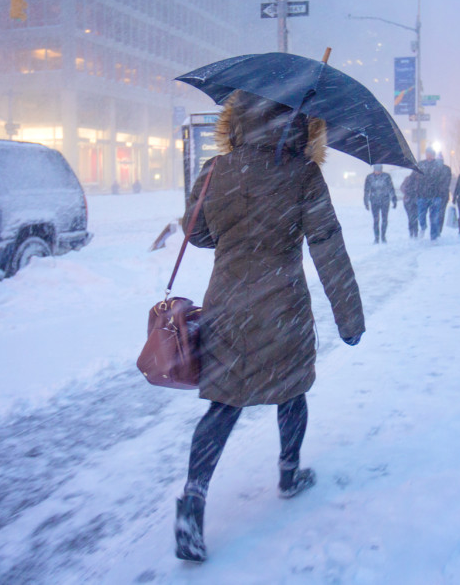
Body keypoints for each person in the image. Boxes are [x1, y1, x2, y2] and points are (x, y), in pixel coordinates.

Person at [175, 90, 365, 562]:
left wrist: (236, 225)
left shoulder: (217, 169)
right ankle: (288, 472)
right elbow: (327, 245)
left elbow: (196, 233)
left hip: (227, 304)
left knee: (222, 404)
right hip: (283, 305)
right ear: (301, 124)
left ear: (238, 119)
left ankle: (193, 501)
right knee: (292, 390)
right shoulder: (303, 174)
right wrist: (349, 318)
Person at [417, 147, 452, 240]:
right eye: (427, 153)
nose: (428, 155)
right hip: (423, 195)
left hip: (435, 195)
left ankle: (434, 236)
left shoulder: (438, 166)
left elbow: (443, 179)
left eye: (430, 153)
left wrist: (440, 190)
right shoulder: (421, 164)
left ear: (433, 155)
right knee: (421, 215)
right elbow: (416, 178)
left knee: (434, 217)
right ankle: (423, 227)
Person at [363, 164, 397, 243]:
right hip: (374, 201)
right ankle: (377, 237)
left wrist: (394, 199)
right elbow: (366, 190)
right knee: (376, 220)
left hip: (385, 200)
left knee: (384, 219)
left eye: (379, 170)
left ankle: (383, 236)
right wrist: (366, 201)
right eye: (376, 170)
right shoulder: (369, 177)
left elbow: (391, 188)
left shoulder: (386, 176)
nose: (377, 172)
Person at [400, 170, 420, 238]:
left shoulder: (419, 180)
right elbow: (402, 188)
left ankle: (414, 232)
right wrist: (409, 192)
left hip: (414, 201)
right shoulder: (408, 180)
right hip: (409, 200)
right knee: (411, 217)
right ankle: (412, 232)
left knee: (414, 217)